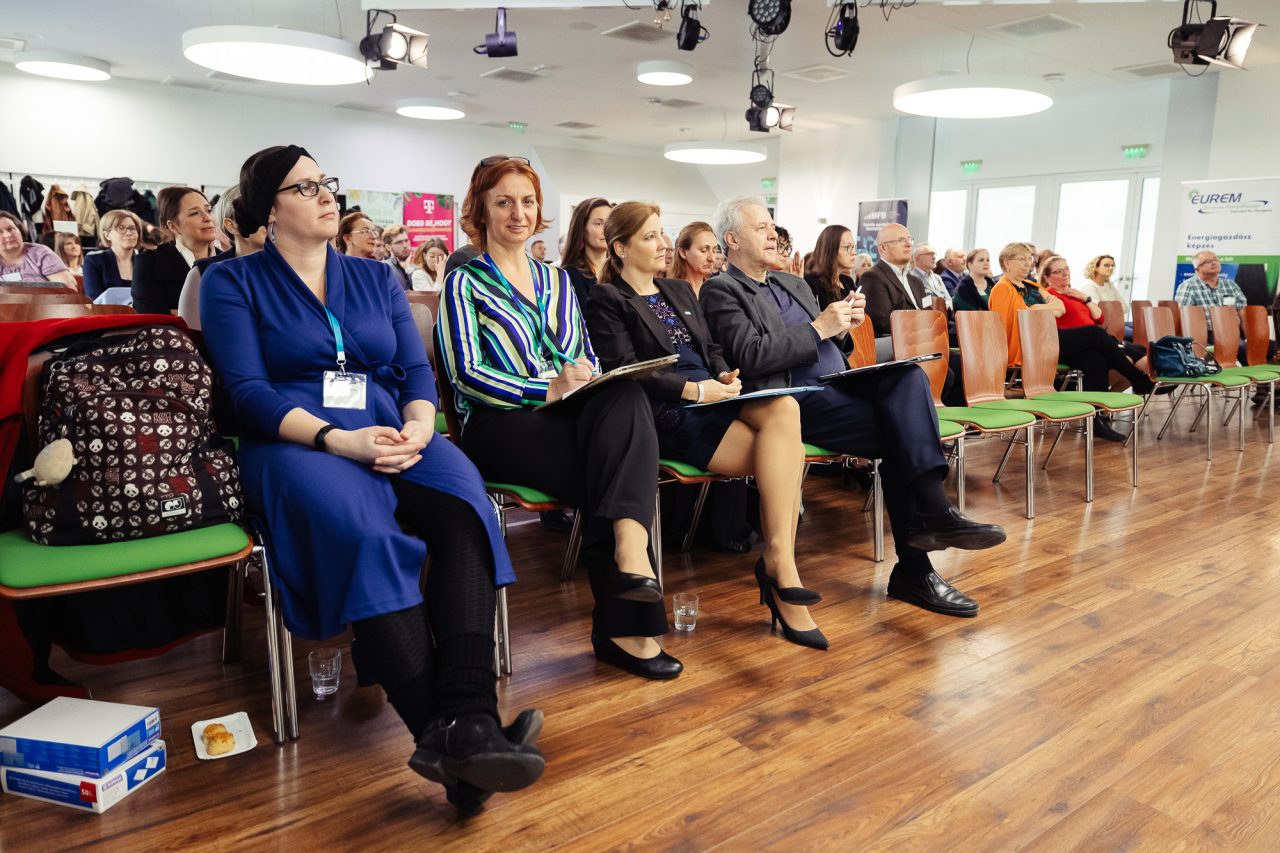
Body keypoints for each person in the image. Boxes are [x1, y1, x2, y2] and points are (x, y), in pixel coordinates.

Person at [200, 145, 543, 811]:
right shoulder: (231, 281)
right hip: (295, 438)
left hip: (390, 423)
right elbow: (246, 392)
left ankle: (469, 717)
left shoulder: (375, 276)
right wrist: (337, 439)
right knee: (363, 532)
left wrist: (419, 424)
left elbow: (414, 371)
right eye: (305, 187)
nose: (326, 195)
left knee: (465, 504)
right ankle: (451, 736)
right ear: (270, 209)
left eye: (325, 182)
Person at [701, 196, 1005, 619]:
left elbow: (829, 342)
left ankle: (930, 520)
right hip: (790, 400)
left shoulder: (792, 283)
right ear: (732, 240)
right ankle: (920, 551)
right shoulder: (721, 289)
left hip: (838, 384)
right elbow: (749, 357)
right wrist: (820, 327)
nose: (773, 234)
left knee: (909, 376)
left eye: (772, 225)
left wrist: (844, 326)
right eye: (761, 228)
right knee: (903, 433)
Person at [436, 157, 677, 680]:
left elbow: (584, 353)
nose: (518, 213)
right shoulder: (464, 282)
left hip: (568, 416)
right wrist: (544, 388)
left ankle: (629, 566)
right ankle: (628, 621)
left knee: (625, 397)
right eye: (503, 202)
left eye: (527, 201)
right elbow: (466, 375)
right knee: (612, 461)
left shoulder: (558, 280)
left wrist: (584, 377)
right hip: (500, 424)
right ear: (481, 210)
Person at [586, 201, 825, 649]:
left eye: (662, 233)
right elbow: (626, 371)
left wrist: (722, 375)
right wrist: (696, 391)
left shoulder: (677, 290)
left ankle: (779, 558)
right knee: (784, 453)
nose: (664, 244)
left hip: (713, 393)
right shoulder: (607, 299)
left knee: (785, 408)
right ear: (620, 248)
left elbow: (711, 348)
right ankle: (780, 573)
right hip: (667, 408)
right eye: (650, 237)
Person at [991, 249, 1154, 441]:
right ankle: (1135, 377)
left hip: (1049, 338)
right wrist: (1040, 308)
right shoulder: (1003, 287)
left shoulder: (1031, 285)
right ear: (1007, 263)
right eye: (1022, 259)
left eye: (1029, 259)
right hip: (1031, 344)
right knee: (1094, 333)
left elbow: (1059, 308)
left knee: (1095, 359)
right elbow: (1021, 316)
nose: (1028, 263)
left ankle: (1096, 420)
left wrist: (1037, 308)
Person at [177, 186, 267, 332]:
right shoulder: (202, 272)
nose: (267, 219)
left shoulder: (288, 267)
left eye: (269, 211)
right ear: (231, 226)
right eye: (255, 213)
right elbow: (191, 337)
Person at [132, 187, 217, 314]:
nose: (207, 218)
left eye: (209, 210)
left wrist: (179, 313)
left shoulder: (230, 260)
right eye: (194, 213)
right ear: (174, 226)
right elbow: (151, 316)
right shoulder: (149, 262)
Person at [858, 223, 927, 339]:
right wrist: (921, 324)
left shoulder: (916, 282)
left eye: (909, 240)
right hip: (895, 341)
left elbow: (928, 310)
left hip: (924, 338)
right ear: (883, 248)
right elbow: (885, 323)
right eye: (901, 240)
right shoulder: (872, 277)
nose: (908, 244)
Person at [0, 211, 76, 287]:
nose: (7, 235)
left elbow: (67, 288)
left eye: (10, 229)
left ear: (20, 230)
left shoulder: (40, 253)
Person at [559, 196, 611, 308]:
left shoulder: (620, 270)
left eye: (609, 223)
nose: (606, 229)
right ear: (581, 229)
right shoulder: (571, 274)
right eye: (598, 223)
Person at [83, 210, 144, 300]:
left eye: (132, 228)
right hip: (108, 309)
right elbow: (94, 298)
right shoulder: (94, 261)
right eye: (121, 228)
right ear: (107, 235)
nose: (129, 233)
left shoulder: (145, 262)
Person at [803, 224, 857, 312]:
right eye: (848, 247)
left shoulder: (848, 281)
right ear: (831, 249)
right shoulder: (812, 282)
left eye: (853, 247)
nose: (854, 253)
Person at [669, 221, 718, 297]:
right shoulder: (669, 293)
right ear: (683, 252)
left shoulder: (716, 291)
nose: (712, 258)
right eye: (704, 250)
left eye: (714, 251)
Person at [913, 244, 952, 312]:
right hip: (925, 315)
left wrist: (947, 304)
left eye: (934, 254)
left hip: (943, 314)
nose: (934, 257)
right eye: (929, 254)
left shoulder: (937, 278)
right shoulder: (911, 278)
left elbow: (948, 298)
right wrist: (938, 303)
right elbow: (919, 302)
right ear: (918, 259)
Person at [382, 224, 415, 290]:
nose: (405, 245)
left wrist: (409, 270)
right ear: (388, 247)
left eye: (406, 240)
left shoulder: (416, 268)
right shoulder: (384, 268)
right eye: (399, 242)